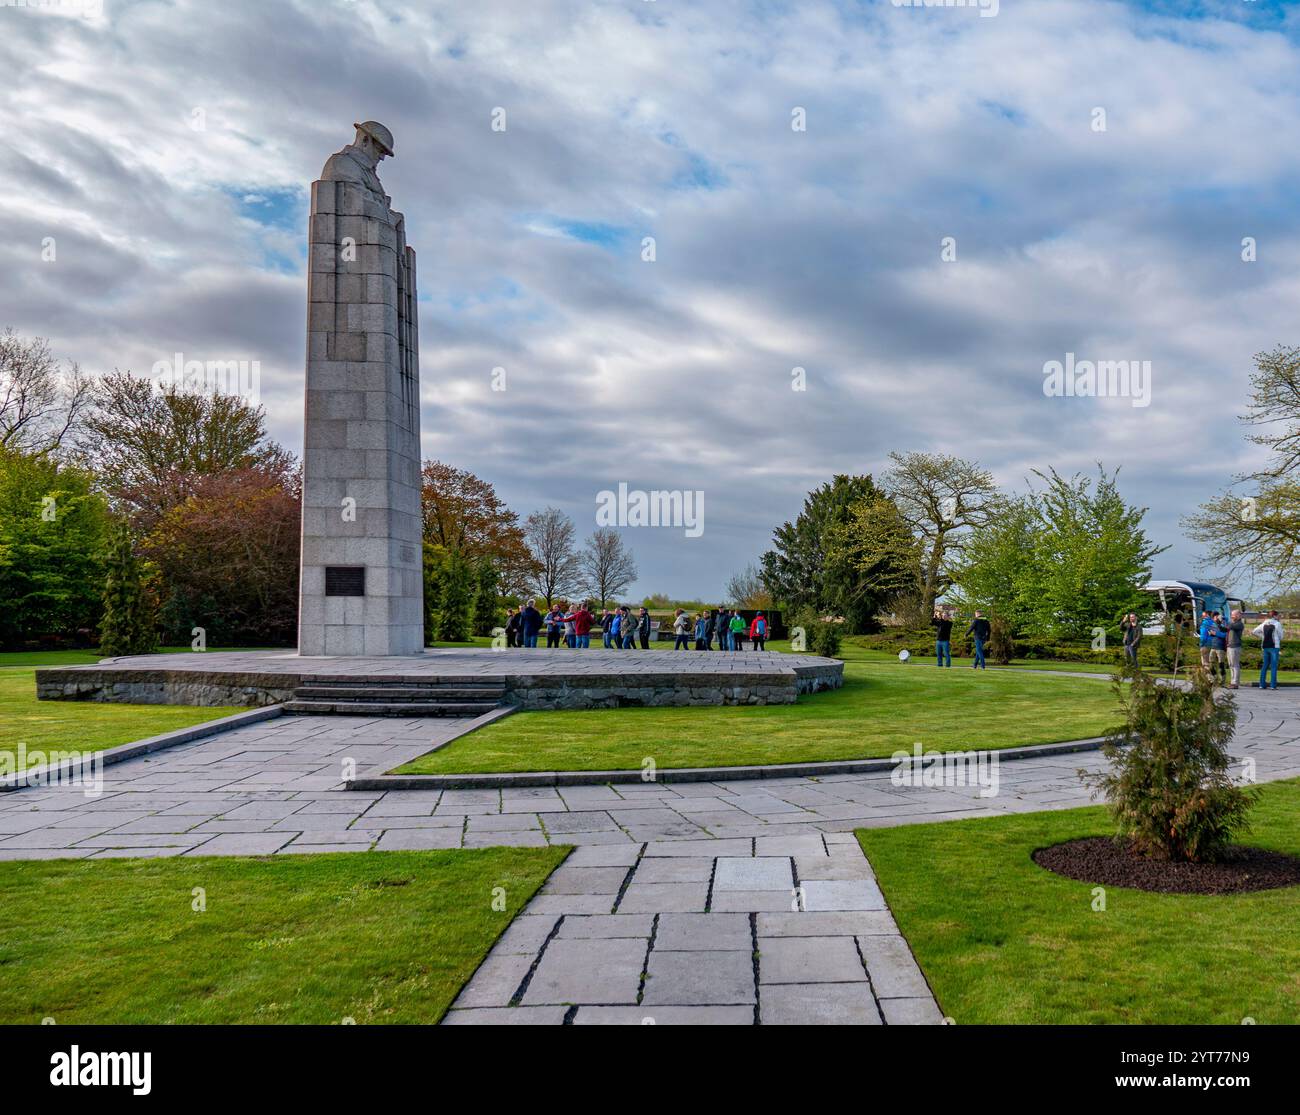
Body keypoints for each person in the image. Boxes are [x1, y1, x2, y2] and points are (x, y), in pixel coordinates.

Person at [1253, 610, 1284, 690]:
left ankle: (1261, 684)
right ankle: (1273, 685)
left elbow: (1254, 631)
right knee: (1273, 666)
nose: (1278, 617)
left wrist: (1263, 637)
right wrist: (1277, 639)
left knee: (1265, 666)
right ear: (1274, 616)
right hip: (1274, 647)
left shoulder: (1264, 623)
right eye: (1278, 616)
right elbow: (1281, 636)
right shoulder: (1277, 624)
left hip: (1265, 646)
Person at [1223, 609, 1245, 690]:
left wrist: (1226, 620)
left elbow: (1229, 626)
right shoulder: (1233, 623)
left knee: (1235, 665)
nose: (1232, 616)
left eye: (1233, 615)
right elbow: (1225, 628)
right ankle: (1232, 681)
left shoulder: (1239, 624)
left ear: (1238, 615)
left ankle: (1235, 683)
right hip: (1230, 646)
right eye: (1232, 615)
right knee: (1231, 665)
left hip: (1235, 646)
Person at [1207, 611, 1227, 684]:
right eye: (1214, 617)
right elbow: (1211, 634)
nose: (1215, 618)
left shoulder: (1223, 625)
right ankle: (1214, 679)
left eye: (1217, 617)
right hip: (1213, 646)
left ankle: (1222, 681)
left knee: (1221, 665)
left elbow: (1224, 635)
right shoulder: (1212, 625)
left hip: (1221, 648)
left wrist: (1215, 633)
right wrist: (1211, 634)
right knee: (1211, 664)